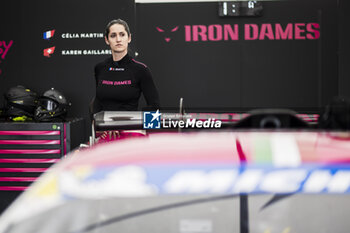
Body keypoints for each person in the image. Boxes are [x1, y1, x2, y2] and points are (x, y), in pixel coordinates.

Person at [92, 19, 160, 114]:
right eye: (113, 35)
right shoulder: (100, 68)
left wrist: (142, 128)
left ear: (129, 38)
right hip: (104, 127)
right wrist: (94, 125)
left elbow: (154, 106)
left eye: (122, 34)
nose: (118, 39)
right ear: (107, 40)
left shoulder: (141, 70)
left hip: (129, 127)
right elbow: (97, 101)